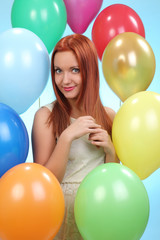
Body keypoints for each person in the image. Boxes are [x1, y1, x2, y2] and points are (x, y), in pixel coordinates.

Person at [32, 34, 119, 240]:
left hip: (99, 213)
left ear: (89, 71)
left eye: (75, 70)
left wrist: (111, 150)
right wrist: (66, 137)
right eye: (58, 71)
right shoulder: (46, 116)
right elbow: (46, 183)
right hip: (60, 216)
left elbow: (114, 178)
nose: (65, 80)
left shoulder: (108, 116)